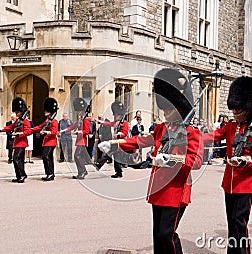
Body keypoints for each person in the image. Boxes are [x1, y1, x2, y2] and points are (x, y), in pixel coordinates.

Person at [98, 68, 203, 253]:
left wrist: (172, 159)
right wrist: (114, 145)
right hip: (159, 188)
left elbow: (196, 161)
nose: (164, 112)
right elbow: (141, 140)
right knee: (158, 236)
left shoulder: (191, 132)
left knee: (167, 234)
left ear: (179, 108)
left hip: (176, 189)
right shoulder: (162, 129)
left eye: (168, 109)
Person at [201, 76, 252, 254]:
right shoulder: (231, 126)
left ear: (247, 108)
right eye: (234, 108)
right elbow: (214, 136)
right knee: (232, 222)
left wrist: (245, 160)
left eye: (238, 108)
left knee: (240, 221)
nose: (235, 111)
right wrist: (192, 137)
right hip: (229, 182)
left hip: (245, 183)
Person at [0, 97, 31, 183]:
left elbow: (28, 131)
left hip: (22, 143)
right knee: (19, 160)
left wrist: (19, 134)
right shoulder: (18, 121)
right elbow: (10, 127)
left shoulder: (25, 121)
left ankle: (21, 175)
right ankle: (20, 175)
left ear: (21, 112)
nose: (16, 113)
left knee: (16, 159)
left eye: (17, 112)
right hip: (17, 143)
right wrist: (0, 130)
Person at [96, 101, 129, 178]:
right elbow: (109, 124)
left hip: (120, 142)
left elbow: (125, 133)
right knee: (111, 154)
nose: (115, 116)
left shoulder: (125, 123)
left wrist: (119, 134)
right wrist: (100, 121)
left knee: (113, 155)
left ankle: (100, 164)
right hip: (115, 141)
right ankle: (117, 171)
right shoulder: (117, 122)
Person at [60, 98, 91, 180]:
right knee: (77, 156)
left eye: (79, 111)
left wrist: (79, 132)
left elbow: (87, 131)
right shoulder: (80, 119)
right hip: (79, 141)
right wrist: (64, 130)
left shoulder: (86, 120)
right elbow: (72, 126)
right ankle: (81, 172)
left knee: (77, 155)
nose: (78, 112)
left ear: (82, 110)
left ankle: (83, 171)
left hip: (83, 141)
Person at [31, 97, 59, 181]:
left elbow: (54, 132)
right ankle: (50, 174)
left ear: (50, 111)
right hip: (47, 142)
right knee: (49, 157)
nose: (44, 111)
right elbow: (40, 127)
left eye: (46, 110)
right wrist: (30, 130)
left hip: (51, 142)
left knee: (45, 156)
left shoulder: (54, 121)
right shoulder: (47, 121)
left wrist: (46, 132)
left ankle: (50, 173)